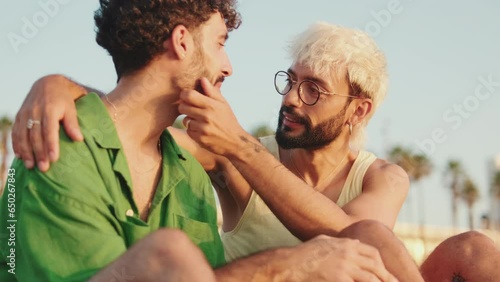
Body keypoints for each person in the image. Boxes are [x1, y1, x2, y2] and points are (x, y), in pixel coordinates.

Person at [0, 0, 402, 281]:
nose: (291, 98)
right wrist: (56, 84)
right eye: (221, 42)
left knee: (461, 252)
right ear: (181, 42)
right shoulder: (58, 145)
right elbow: (122, 117)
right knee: (167, 255)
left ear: (359, 110)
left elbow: (356, 233)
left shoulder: (185, 166)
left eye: (314, 89)